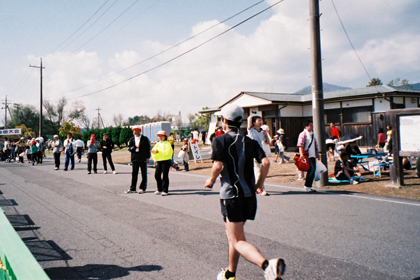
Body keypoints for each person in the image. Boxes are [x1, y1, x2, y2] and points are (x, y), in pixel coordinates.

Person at [204, 104, 286, 280]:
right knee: (234, 237)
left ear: (224, 121)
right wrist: (260, 183)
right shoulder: (250, 141)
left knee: (238, 240)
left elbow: (218, 165)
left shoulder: (220, 140)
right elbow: (265, 163)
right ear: (240, 121)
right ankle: (230, 274)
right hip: (248, 197)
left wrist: (211, 181)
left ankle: (267, 266)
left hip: (231, 196)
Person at [126, 126, 151, 194]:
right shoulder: (131, 139)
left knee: (143, 173)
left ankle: (142, 187)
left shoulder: (145, 139)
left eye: (137, 130)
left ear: (140, 131)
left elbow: (148, 148)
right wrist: (134, 147)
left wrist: (148, 157)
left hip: (142, 158)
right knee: (134, 173)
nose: (136, 132)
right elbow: (129, 148)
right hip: (135, 158)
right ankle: (133, 188)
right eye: (134, 130)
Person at [247, 115, 268, 196]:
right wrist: (252, 114)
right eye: (258, 120)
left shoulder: (262, 132)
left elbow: (268, 142)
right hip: (252, 152)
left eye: (261, 120)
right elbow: (249, 119)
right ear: (254, 123)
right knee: (258, 171)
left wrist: (266, 134)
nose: (260, 122)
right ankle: (261, 188)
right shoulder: (251, 130)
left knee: (259, 170)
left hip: (260, 153)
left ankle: (257, 187)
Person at [297, 120, 319, 192]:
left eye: (312, 125)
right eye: (310, 125)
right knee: (311, 170)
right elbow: (300, 145)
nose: (312, 126)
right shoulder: (303, 134)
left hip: (312, 155)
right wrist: (301, 154)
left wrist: (317, 155)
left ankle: (309, 185)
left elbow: (315, 145)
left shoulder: (313, 134)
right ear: (306, 126)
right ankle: (307, 186)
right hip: (307, 155)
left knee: (313, 170)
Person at [151, 130, 173, 196]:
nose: (160, 137)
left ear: (164, 137)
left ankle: (165, 190)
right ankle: (159, 189)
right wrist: (154, 154)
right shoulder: (157, 144)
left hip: (166, 161)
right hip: (159, 161)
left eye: (161, 136)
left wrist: (158, 152)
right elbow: (154, 151)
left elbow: (168, 152)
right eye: (159, 136)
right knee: (157, 175)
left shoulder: (167, 144)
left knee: (165, 175)